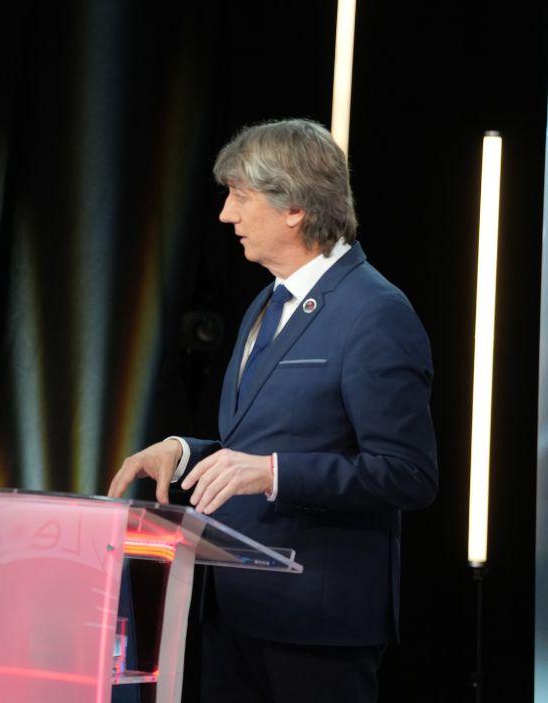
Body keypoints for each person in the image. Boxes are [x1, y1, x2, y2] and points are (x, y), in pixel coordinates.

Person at [107, 119, 437, 702]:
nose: (226, 215)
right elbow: (262, 442)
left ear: (294, 208)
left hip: (316, 628)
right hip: (233, 612)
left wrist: (273, 473)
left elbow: (407, 473)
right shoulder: (266, 300)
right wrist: (188, 452)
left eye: (239, 195)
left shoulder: (375, 312)